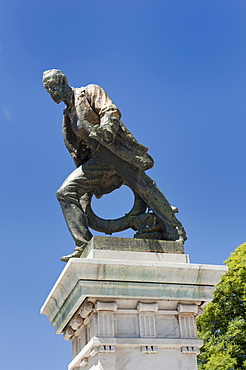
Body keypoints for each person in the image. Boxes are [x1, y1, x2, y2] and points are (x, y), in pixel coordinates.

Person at [43, 69, 186, 261]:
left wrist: (106, 129)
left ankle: (175, 231)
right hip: (98, 159)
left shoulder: (88, 92)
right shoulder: (68, 115)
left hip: (114, 149)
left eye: (53, 86)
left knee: (143, 186)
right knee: (65, 193)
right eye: (48, 89)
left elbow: (109, 110)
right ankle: (83, 244)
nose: (52, 92)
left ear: (63, 82)